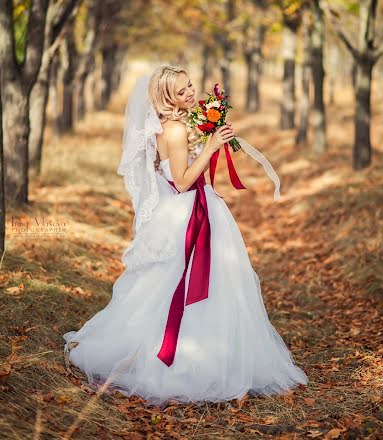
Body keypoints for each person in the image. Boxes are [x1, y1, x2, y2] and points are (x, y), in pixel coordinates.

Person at [63, 64, 308, 407]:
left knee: (197, 283)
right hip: (188, 211)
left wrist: (209, 136)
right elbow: (181, 181)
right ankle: (186, 360)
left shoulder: (175, 125)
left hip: (195, 206)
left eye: (190, 85)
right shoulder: (175, 130)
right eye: (182, 91)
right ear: (167, 99)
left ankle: (209, 350)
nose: (191, 93)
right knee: (182, 283)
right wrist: (210, 147)